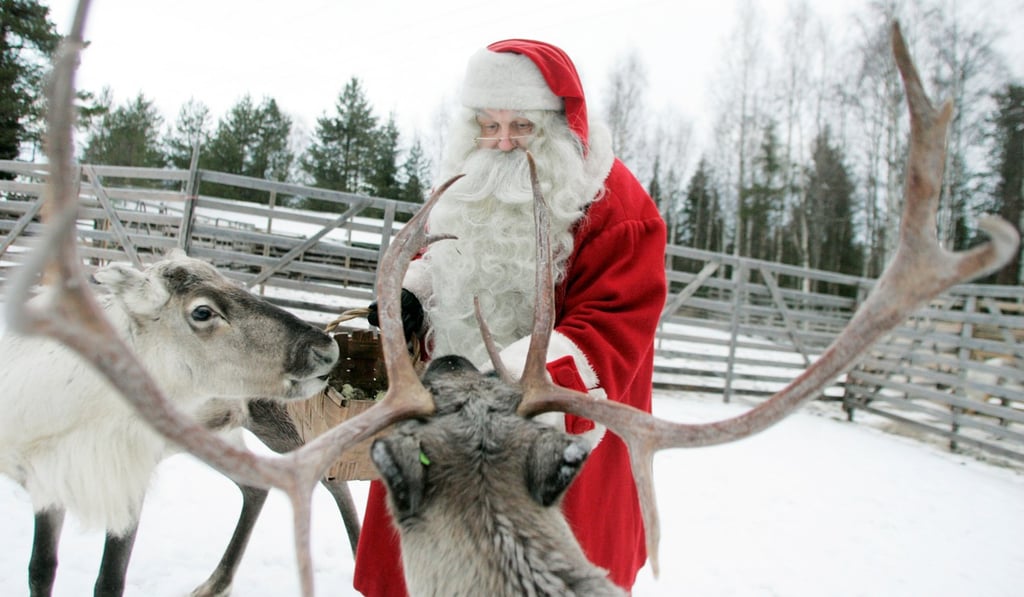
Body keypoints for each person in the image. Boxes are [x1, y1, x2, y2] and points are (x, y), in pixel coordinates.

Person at [354, 38, 667, 595]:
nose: (500, 143)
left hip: (545, 445)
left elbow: (612, 327)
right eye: (487, 125)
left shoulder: (616, 208)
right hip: (445, 427)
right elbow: (446, 254)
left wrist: (510, 383)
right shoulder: (469, 181)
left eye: (520, 127)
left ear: (557, 126)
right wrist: (414, 294)